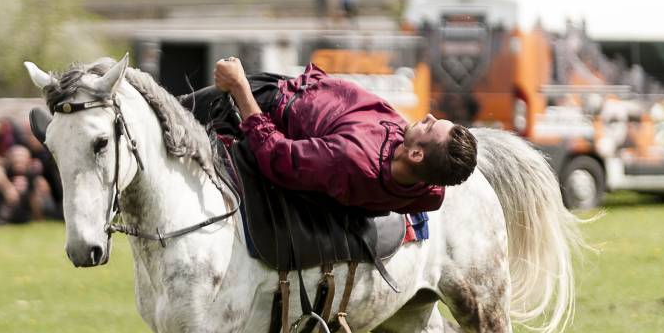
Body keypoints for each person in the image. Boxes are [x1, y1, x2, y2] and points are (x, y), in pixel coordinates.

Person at [195, 57, 477, 215]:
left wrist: (240, 86)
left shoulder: (351, 159)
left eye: (430, 127)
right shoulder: (429, 186)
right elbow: (436, 185)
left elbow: (279, 156)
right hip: (288, 86)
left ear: (416, 155)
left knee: (165, 115)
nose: (427, 117)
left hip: (264, 102)